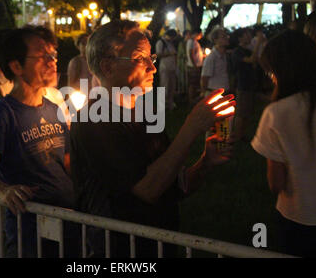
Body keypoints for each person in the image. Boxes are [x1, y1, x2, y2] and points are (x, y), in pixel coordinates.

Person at [70, 20, 235, 257]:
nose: (152, 68)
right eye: (140, 59)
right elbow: (147, 190)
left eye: (152, 58)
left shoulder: (145, 114)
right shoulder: (91, 122)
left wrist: (205, 163)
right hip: (119, 250)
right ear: (107, 67)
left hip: (159, 245)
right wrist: (191, 128)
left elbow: (173, 185)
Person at [0, 26, 79, 258]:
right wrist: (3, 191)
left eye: (53, 55)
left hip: (69, 220)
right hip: (30, 230)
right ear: (16, 66)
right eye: (43, 57)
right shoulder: (2, 116)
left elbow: (68, 162)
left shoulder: (54, 109)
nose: (52, 62)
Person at [251, 30, 316, 257]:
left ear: (282, 71)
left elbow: (275, 183)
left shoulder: (276, 113)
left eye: (272, 72)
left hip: (299, 216)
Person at [230, 28, 265, 142]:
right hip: (242, 85)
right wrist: (258, 43)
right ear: (240, 38)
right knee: (241, 112)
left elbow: (257, 61)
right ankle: (236, 136)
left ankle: (242, 134)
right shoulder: (237, 52)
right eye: (247, 35)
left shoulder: (248, 50)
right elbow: (251, 60)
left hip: (250, 84)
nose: (250, 37)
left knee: (247, 112)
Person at [200, 28, 230, 97]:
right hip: (214, 93)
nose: (227, 38)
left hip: (223, 91)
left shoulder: (224, 55)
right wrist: (203, 92)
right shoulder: (211, 57)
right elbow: (204, 77)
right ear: (215, 40)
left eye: (226, 36)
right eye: (223, 36)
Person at [156, 29, 178, 110]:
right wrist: (170, 54)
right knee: (164, 86)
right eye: (173, 37)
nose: (173, 39)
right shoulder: (161, 42)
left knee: (172, 86)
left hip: (172, 67)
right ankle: (162, 104)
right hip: (165, 68)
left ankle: (170, 103)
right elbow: (158, 54)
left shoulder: (170, 43)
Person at [186, 29, 204, 104]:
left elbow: (195, 53)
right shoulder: (191, 42)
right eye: (200, 34)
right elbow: (191, 53)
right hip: (193, 66)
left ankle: (194, 98)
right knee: (193, 83)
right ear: (197, 33)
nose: (201, 36)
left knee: (195, 83)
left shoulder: (194, 42)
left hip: (196, 65)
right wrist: (194, 65)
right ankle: (191, 99)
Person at [176, 30, 191, 96]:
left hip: (188, 63)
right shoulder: (182, 43)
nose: (189, 36)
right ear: (185, 35)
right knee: (183, 78)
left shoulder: (190, 42)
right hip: (183, 63)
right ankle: (183, 93)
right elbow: (180, 54)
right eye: (188, 34)